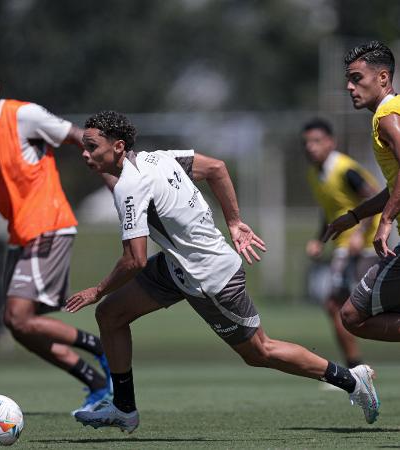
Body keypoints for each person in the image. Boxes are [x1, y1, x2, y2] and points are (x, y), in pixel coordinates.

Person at [66, 110, 380, 433]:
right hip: (178, 266)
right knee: (111, 315)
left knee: (260, 351)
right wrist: (233, 221)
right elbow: (216, 168)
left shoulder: (129, 187)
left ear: (118, 147)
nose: (86, 154)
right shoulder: (159, 158)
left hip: (208, 279)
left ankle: (351, 380)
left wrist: (96, 289)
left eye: (92, 146)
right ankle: (124, 408)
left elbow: (133, 260)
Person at [0, 59, 113, 415]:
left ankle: (101, 349)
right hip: (21, 234)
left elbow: (78, 136)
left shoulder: (24, 116)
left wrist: (114, 177)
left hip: (49, 224)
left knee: (19, 317)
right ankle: (97, 382)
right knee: (19, 326)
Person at [323, 41, 400, 345]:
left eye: (356, 78)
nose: (349, 87)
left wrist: (385, 222)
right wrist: (355, 216)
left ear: (382, 78)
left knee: (352, 316)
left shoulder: (387, 118)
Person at [302, 118, 380, 369]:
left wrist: (360, 233)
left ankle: (355, 368)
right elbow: (331, 210)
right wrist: (319, 239)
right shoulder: (315, 174)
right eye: (306, 143)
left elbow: (373, 198)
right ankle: (355, 368)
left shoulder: (345, 169)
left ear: (331, 142)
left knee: (343, 306)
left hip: (365, 245)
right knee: (336, 305)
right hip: (344, 245)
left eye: (317, 141)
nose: (311, 147)